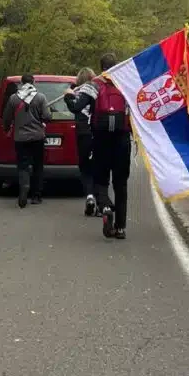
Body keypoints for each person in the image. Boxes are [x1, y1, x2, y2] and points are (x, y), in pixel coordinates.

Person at [69, 53, 131, 241]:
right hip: (122, 141)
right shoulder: (126, 84)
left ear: (101, 67)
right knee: (121, 184)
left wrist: (68, 97)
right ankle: (120, 228)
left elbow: (76, 107)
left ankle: (104, 207)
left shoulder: (93, 85)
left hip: (100, 139)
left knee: (100, 180)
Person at [2, 73, 52, 208]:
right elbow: (47, 116)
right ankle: (36, 196)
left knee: (23, 166)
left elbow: (7, 118)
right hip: (37, 137)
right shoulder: (40, 97)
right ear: (33, 83)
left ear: (21, 83)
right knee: (38, 166)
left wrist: (6, 129)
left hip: (20, 138)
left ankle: (24, 187)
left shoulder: (14, 98)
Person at [64, 67, 98, 217]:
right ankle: (99, 200)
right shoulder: (98, 90)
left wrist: (67, 96)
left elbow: (75, 107)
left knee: (85, 167)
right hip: (97, 132)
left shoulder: (84, 91)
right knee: (97, 167)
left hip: (84, 132)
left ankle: (89, 196)